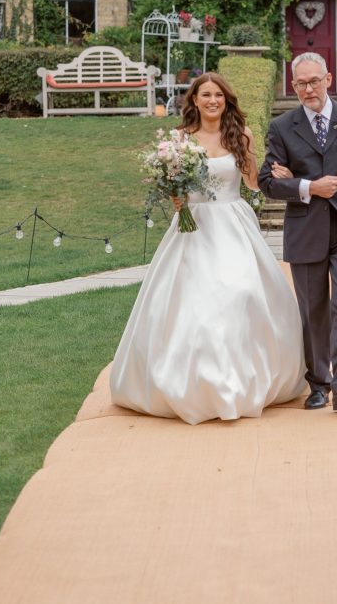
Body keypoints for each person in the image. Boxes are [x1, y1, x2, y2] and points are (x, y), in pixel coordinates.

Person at [110, 73, 306, 425]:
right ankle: (191, 383)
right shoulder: (179, 139)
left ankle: (243, 379)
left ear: (226, 100)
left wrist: (270, 169)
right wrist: (174, 192)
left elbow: (250, 183)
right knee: (191, 303)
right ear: (195, 101)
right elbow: (173, 185)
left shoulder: (240, 134)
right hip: (193, 225)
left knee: (241, 291)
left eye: (218, 95)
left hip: (232, 223)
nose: (213, 100)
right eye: (206, 95)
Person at [258, 53, 337, 412]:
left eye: (314, 81)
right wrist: (309, 186)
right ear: (292, 85)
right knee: (313, 310)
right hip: (306, 229)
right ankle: (319, 383)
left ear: (328, 79)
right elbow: (268, 182)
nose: (308, 89)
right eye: (300, 83)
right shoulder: (282, 127)